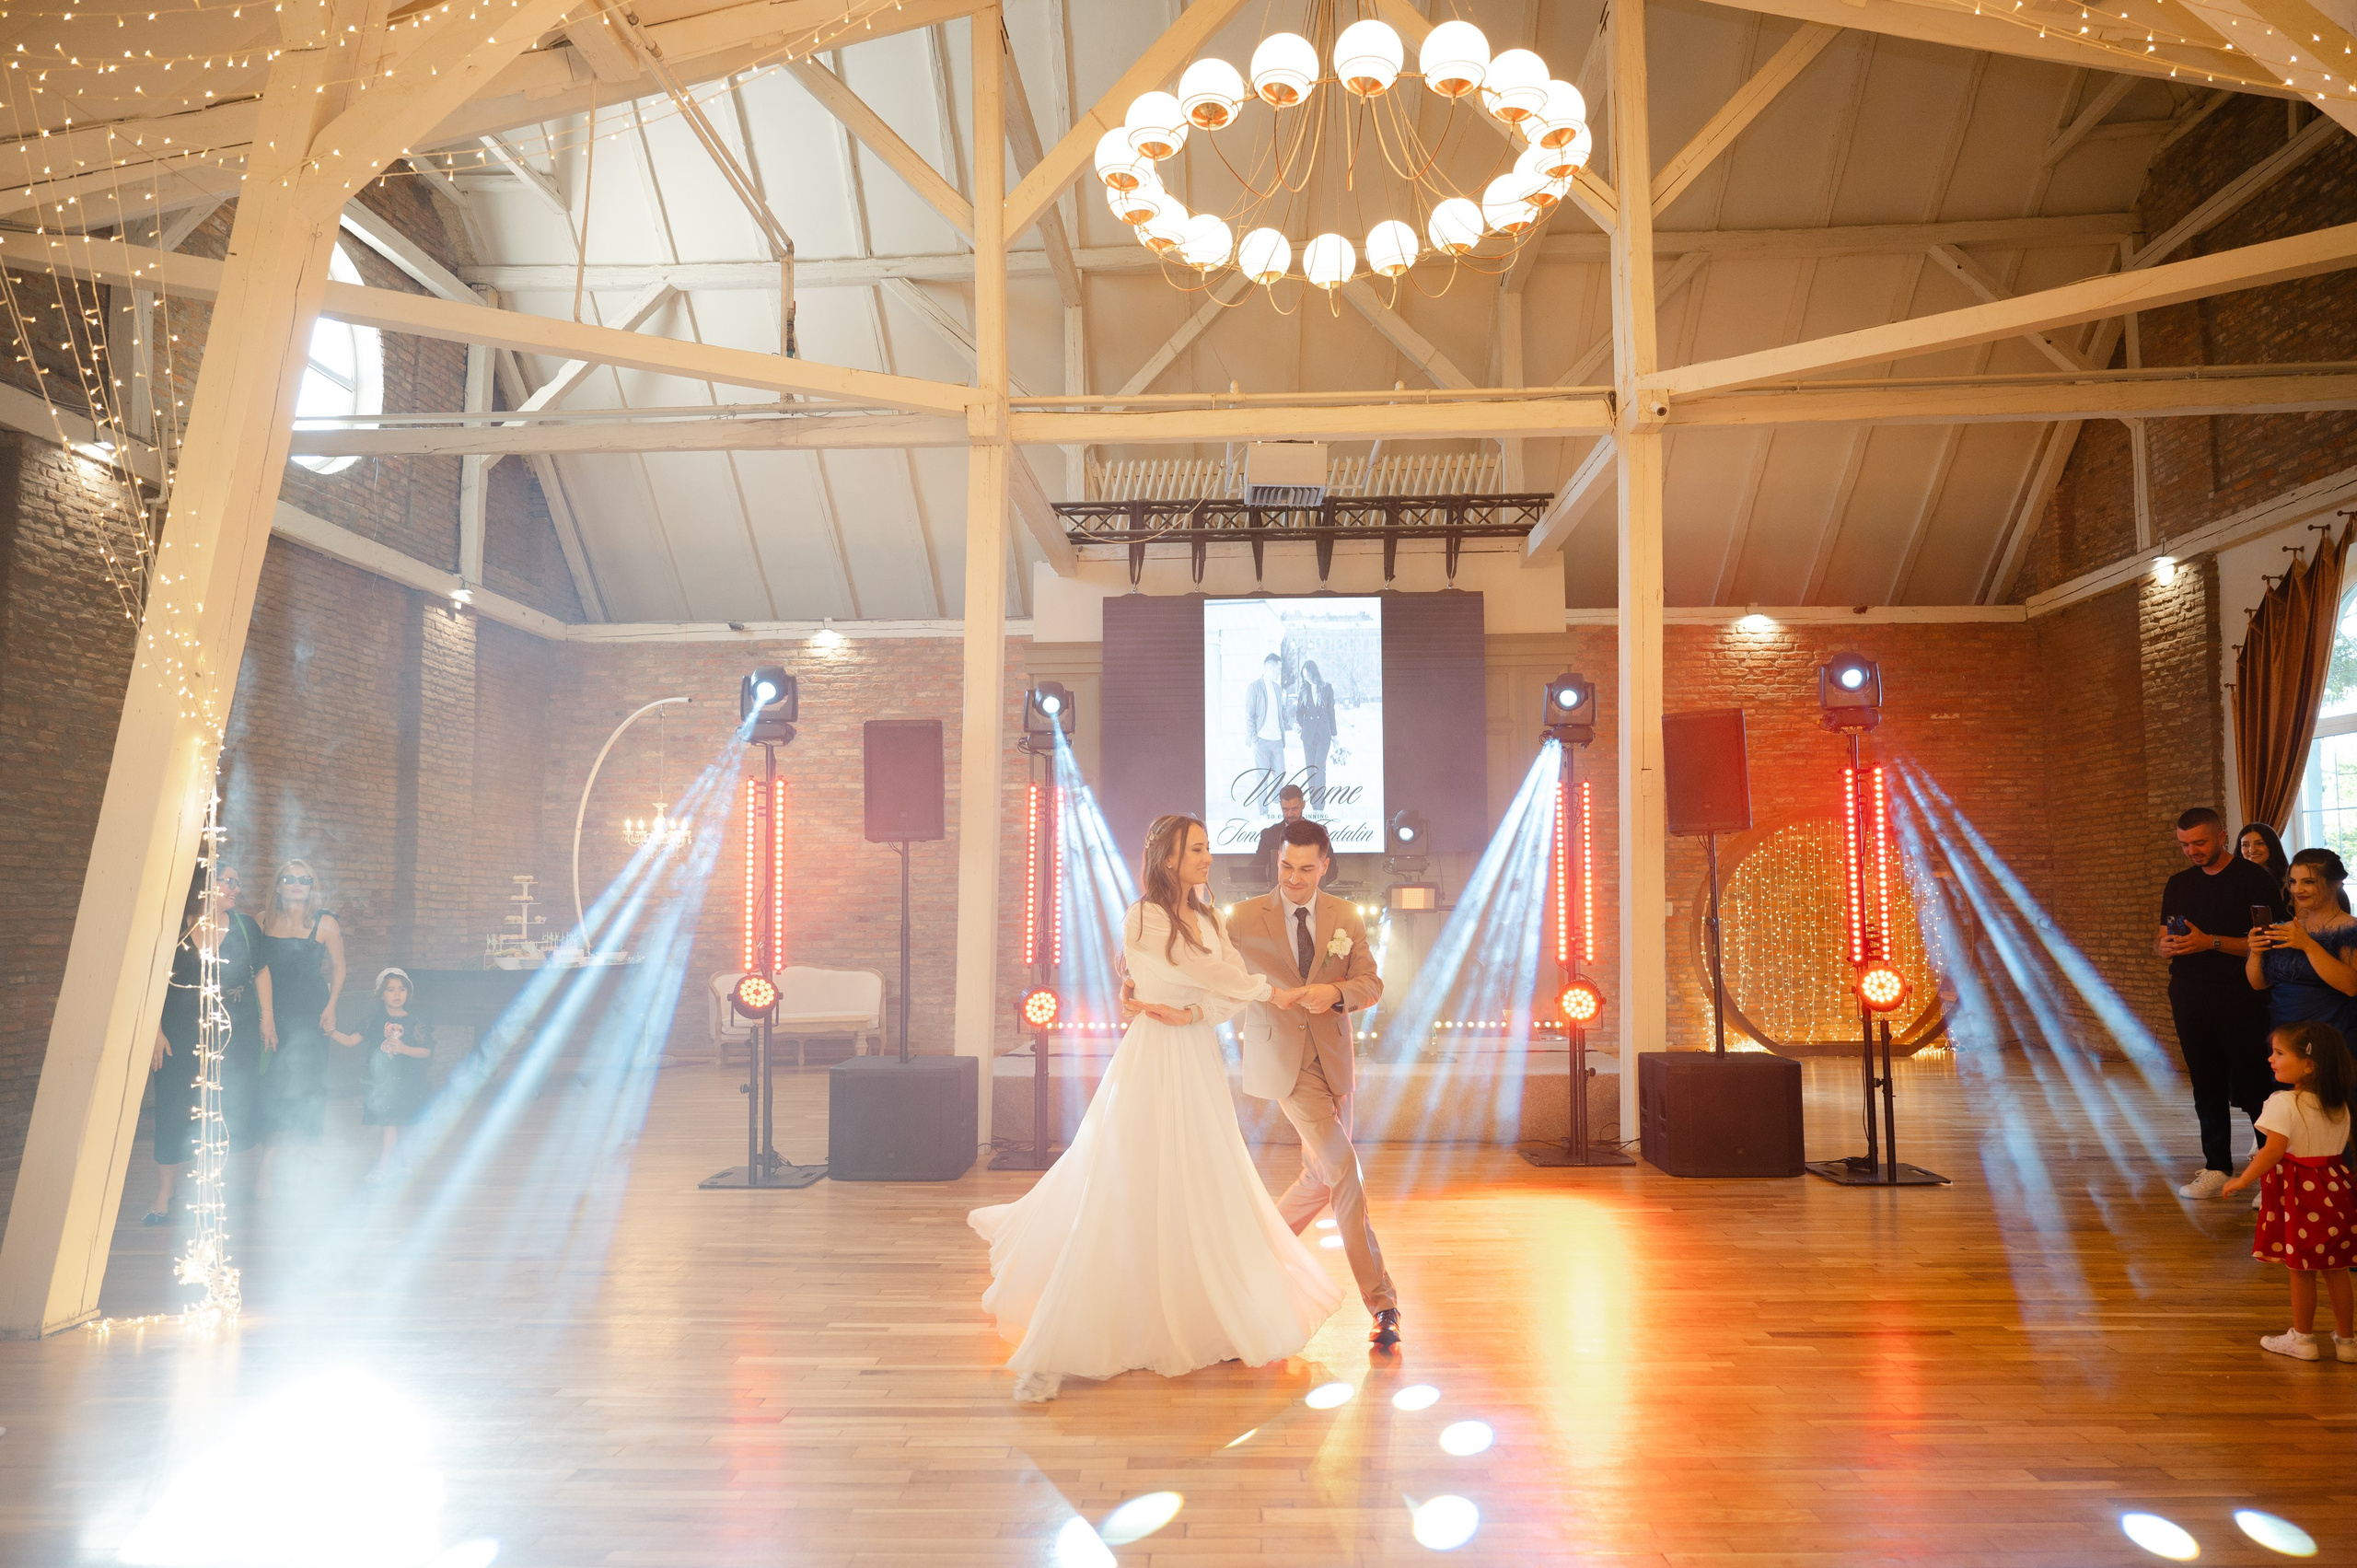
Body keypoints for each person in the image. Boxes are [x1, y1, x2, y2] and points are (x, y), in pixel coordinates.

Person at [968, 814, 1339, 1404]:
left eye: (1208, 848)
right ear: (1168, 857)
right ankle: (1066, 1338)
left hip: (1194, 1055)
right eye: (1196, 849)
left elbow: (1220, 992)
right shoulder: (1143, 917)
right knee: (1130, 1179)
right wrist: (1267, 991)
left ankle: (1199, 1312)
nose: (1207, 858)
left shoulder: (1211, 918)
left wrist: (1198, 1014)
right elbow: (1203, 972)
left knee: (1200, 1179)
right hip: (1151, 1058)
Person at [1226, 817, 1399, 1348]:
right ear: (1275, 861)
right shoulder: (1242, 917)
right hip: (1283, 1062)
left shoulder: (1345, 915)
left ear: (1325, 865)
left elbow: (1372, 983)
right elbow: (1207, 964)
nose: (1294, 878)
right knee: (1344, 1170)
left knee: (1319, 1180)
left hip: (1334, 1061)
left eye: (1305, 868)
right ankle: (1384, 1302)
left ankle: (1252, 1262)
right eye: (1285, 867)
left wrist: (1337, 993)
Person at [2159, 807, 2285, 1200]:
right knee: (2205, 1083)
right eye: (2184, 845)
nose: (2192, 851)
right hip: (2189, 993)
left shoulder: (2254, 880)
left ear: (2221, 836)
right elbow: (2161, 936)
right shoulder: (2178, 883)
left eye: (2199, 842)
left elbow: (2269, 942)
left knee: (2254, 1083)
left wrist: (2209, 941)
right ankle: (2215, 1166)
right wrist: (2165, 946)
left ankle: (2271, 1173)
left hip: (2242, 993)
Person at [143, 863, 273, 1225]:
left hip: (235, 1034)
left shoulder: (246, 927)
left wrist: (268, 1017)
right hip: (179, 1035)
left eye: (237, 881)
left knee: (224, 1109)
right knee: (173, 1109)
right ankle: (165, 1192)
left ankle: (214, 1189)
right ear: (204, 886)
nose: (236, 888)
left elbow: (260, 971)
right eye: (228, 882)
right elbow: (150, 981)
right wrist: (154, 1030)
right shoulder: (175, 926)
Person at [2223, 1021, 2355, 1362]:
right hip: (2337, 1190)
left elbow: (2273, 1150)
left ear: (2309, 1064)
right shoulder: (2338, 1103)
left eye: (2280, 1053)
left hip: (2301, 1196)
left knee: (2301, 1270)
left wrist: (2242, 1180)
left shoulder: (2284, 1102)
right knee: (2337, 1269)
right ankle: (2347, 1341)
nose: (2271, 1059)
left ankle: (2304, 1339)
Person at [256, 858, 346, 1194]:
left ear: (312, 887)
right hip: (273, 1014)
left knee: (309, 1086)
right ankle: (266, 1169)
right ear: (278, 886)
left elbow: (339, 968)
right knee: (273, 1088)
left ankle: (308, 1165)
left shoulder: (325, 924)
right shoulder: (262, 921)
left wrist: (332, 1007)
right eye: (290, 878)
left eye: (304, 880)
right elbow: (256, 969)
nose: (297, 884)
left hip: (310, 1013)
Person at [2246, 849, 2357, 1044]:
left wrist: (2308, 945)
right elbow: (2259, 984)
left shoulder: (2349, 929)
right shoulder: (2286, 929)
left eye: (2308, 882)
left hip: (2330, 1038)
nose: (2297, 890)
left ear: (2336, 884)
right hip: (2283, 1035)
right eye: (2293, 882)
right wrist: (2255, 952)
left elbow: (2351, 986)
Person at [331, 968, 433, 1181]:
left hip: (407, 1082)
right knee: (390, 1123)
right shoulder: (375, 1021)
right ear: (381, 994)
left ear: (408, 992)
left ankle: (394, 1164)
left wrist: (404, 1048)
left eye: (402, 989)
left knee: (400, 1122)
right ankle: (393, 1164)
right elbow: (351, 1041)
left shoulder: (416, 1021)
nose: (397, 994)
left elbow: (426, 1051)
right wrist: (331, 1032)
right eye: (391, 990)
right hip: (384, 1083)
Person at [1244, 652, 1290, 779]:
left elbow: (1283, 710)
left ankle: (1276, 800)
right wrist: (1254, 738)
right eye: (1278, 669)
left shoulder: (1278, 688)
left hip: (1277, 741)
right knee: (1262, 778)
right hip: (1261, 740)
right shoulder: (1254, 687)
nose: (1280, 672)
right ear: (1270, 668)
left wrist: (1293, 723)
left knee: (1280, 774)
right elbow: (1249, 715)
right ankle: (1263, 800)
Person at [1252, 784, 1308, 884]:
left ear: (1303, 804)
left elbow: (1332, 869)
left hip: (1309, 894)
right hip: (1277, 894)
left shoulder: (1319, 833)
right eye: (1285, 809)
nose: (1290, 814)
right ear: (1281, 807)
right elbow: (1257, 867)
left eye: (1294, 809)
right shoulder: (1269, 834)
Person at [1295, 658, 1337, 794]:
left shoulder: (1327, 688)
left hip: (1324, 734)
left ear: (1314, 673)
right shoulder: (1303, 690)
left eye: (1308, 675)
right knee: (1310, 769)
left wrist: (1334, 735)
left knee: (1319, 767)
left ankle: (1320, 805)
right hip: (1308, 736)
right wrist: (1303, 726)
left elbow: (1331, 712)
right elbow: (1299, 713)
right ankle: (1314, 805)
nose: (1306, 679)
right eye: (1304, 676)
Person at [2239, 822, 2293, 894]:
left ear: (2272, 846)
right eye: (2245, 845)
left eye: (2260, 843)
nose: (2252, 850)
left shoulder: (2289, 881)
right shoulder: (2234, 879)